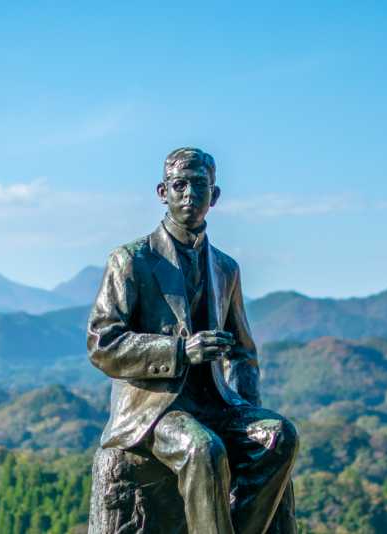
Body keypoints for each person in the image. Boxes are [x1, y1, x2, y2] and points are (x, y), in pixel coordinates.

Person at [87, 147, 298, 534]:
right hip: (155, 410)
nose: (188, 194)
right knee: (203, 449)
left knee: (279, 435)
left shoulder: (225, 267)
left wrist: (245, 411)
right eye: (178, 185)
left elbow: (243, 354)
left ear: (214, 196)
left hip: (216, 402)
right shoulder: (132, 259)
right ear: (161, 192)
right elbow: (102, 343)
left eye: (198, 185)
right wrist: (180, 351)